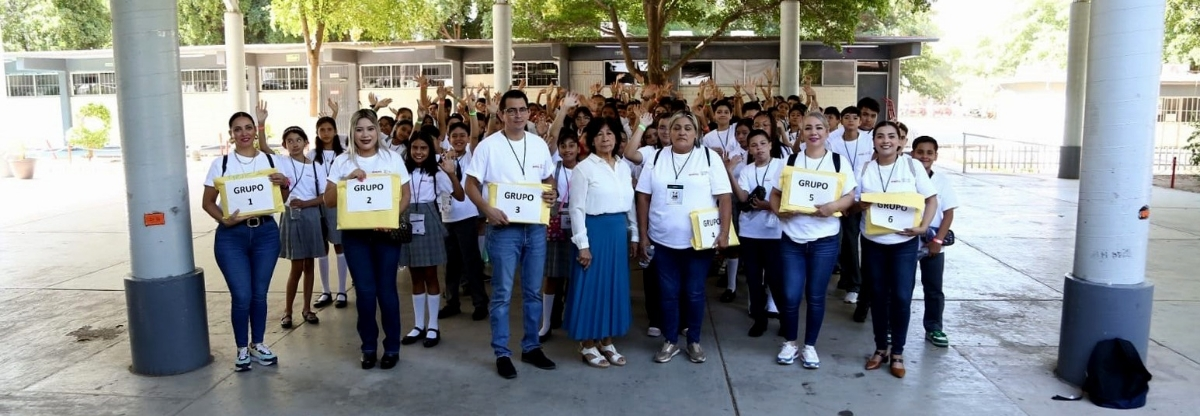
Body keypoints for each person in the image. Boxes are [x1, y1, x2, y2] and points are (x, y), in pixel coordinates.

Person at [465, 89, 560, 379]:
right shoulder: (488, 146)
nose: (517, 115)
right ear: (502, 114)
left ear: (529, 113)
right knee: (503, 294)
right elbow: (470, 185)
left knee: (533, 291)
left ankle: (531, 347)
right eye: (511, 110)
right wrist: (486, 209)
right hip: (503, 228)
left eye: (522, 110)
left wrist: (552, 193)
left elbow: (548, 178)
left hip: (534, 228)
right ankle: (502, 353)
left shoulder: (539, 145)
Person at [636, 111, 733, 364]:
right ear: (667, 131)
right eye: (676, 127)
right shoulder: (657, 158)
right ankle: (670, 341)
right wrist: (644, 235)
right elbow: (643, 196)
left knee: (694, 292)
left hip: (698, 242)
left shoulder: (710, 159)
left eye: (688, 128)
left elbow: (724, 197)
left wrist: (723, 232)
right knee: (667, 293)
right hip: (662, 239)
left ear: (697, 132)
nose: (681, 132)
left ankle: (694, 341)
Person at [323, 109, 413, 370]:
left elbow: (405, 194)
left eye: (370, 129)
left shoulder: (392, 159)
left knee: (386, 291)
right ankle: (369, 347)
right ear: (352, 132)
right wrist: (345, 181)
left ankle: (392, 348)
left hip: (386, 234)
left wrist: (391, 217)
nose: (365, 134)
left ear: (378, 131)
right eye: (359, 129)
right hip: (355, 236)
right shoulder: (342, 162)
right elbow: (328, 200)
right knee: (364, 292)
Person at [201, 111, 291, 372]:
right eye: (238, 129)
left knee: (259, 294)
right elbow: (207, 202)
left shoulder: (270, 160)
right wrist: (224, 220)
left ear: (255, 130)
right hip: (232, 237)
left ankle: (258, 343)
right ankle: (242, 347)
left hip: (265, 233)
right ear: (231, 134)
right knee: (242, 295)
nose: (244, 133)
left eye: (248, 127)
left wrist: (283, 182)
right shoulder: (222, 164)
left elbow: (281, 199)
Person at [769, 113, 857, 368]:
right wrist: (779, 211)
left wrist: (833, 206)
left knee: (816, 296)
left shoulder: (838, 162)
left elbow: (850, 195)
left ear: (828, 131)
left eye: (819, 127)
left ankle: (810, 346)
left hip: (824, 240)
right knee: (790, 294)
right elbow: (776, 194)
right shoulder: (791, 160)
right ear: (800, 132)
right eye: (808, 128)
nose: (814, 132)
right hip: (793, 239)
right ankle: (790, 342)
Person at [856, 121, 938, 379]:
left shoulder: (912, 167)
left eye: (891, 136)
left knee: (902, 297)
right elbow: (855, 203)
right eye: (880, 136)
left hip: (903, 243)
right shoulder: (866, 168)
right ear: (874, 142)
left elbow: (931, 199)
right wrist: (862, 206)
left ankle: (898, 352)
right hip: (873, 242)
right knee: (878, 296)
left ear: (900, 141)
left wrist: (924, 227)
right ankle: (880, 349)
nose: (886, 141)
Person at [563, 117, 638, 368]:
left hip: (618, 232)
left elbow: (630, 205)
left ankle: (606, 341)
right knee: (590, 286)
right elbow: (576, 209)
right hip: (594, 231)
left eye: (610, 133)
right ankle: (586, 343)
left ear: (617, 138)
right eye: (599, 134)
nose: (605, 138)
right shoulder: (584, 169)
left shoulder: (624, 167)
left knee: (613, 286)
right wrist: (582, 244)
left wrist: (635, 234)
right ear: (591, 140)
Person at [397, 129, 463, 349]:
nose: (418, 152)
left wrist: (451, 173)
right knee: (415, 275)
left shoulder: (437, 173)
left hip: (429, 221)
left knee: (431, 275)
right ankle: (418, 325)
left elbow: (460, 195)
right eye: (414, 148)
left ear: (430, 149)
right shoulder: (402, 171)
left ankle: (433, 325)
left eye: (423, 148)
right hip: (407, 221)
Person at [724, 129, 784, 338]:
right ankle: (760, 319)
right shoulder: (748, 170)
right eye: (753, 145)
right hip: (750, 232)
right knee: (753, 278)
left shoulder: (782, 166)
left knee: (776, 279)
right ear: (748, 149)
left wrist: (769, 205)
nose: (758, 149)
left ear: (770, 144)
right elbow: (742, 197)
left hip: (775, 232)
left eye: (762, 144)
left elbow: (787, 197)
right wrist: (730, 171)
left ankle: (785, 319)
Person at [910, 136, 959, 348]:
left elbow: (948, 214)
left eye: (929, 153)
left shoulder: (942, 182)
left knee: (933, 288)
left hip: (933, 243)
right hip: (908, 240)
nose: (924, 156)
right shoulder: (906, 178)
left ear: (936, 156)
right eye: (920, 152)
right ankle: (892, 326)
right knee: (902, 286)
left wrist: (938, 239)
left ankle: (934, 327)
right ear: (912, 154)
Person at [439, 122, 490, 321]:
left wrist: (471, 112)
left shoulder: (471, 155)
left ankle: (480, 303)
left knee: (471, 262)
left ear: (468, 138)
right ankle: (452, 302)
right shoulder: (443, 159)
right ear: (449, 139)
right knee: (451, 263)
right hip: (447, 217)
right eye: (454, 136)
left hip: (467, 216)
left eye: (462, 135)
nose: (458, 139)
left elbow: (476, 135)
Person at [278, 126, 326, 329]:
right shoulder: (282, 162)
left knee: (309, 264)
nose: (294, 144)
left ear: (306, 143)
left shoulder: (316, 167)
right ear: (284, 145)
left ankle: (307, 308)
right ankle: (287, 311)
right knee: (296, 266)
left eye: (298, 140)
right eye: (290, 141)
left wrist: (306, 204)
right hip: (291, 215)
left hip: (311, 214)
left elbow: (324, 195)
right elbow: (262, 147)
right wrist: (261, 126)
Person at [827, 106, 873, 311]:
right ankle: (849, 279)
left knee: (855, 242)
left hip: (862, 198)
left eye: (856, 117)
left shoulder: (869, 141)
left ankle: (855, 284)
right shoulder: (833, 142)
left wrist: (857, 199)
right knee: (844, 241)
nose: (852, 120)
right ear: (841, 120)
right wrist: (842, 200)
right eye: (847, 117)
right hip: (840, 198)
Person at [538, 132, 580, 342]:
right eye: (563, 146)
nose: (567, 150)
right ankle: (546, 323)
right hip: (556, 225)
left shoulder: (584, 169)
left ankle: (573, 320)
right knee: (552, 277)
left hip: (579, 227)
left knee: (576, 277)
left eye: (572, 145)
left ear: (579, 148)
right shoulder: (554, 168)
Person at [311, 117, 349, 310]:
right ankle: (326, 290)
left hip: (337, 203)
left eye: (329, 129)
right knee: (322, 248)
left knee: (340, 246)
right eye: (321, 129)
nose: (325, 133)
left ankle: (342, 290)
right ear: (317, 132)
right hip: (317, 204)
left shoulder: (344, 154)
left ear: (335, 131)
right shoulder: (311, 155)